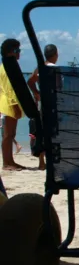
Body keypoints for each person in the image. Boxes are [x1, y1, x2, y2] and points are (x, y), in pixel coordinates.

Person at [27, 44, 62, 170]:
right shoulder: (55, 69)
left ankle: (42, 162)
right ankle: (53, 161)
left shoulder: (40, 67)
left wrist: (37, 94)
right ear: (56, 54)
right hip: (53, 103)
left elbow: (30, 81)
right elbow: (58, 87)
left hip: (43, 104)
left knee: (42, 132)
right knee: (53, 132)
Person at [0, 38, 25, 171]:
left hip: (7, 103)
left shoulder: (8, 66)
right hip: (8, 104)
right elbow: (10, 89)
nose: (19, 53)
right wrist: (15, 105)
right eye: (17, 50)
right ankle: (6, 163)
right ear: (12, 52)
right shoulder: (7, 68)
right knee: (8, 134)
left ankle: (10, 161)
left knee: (11, 134)